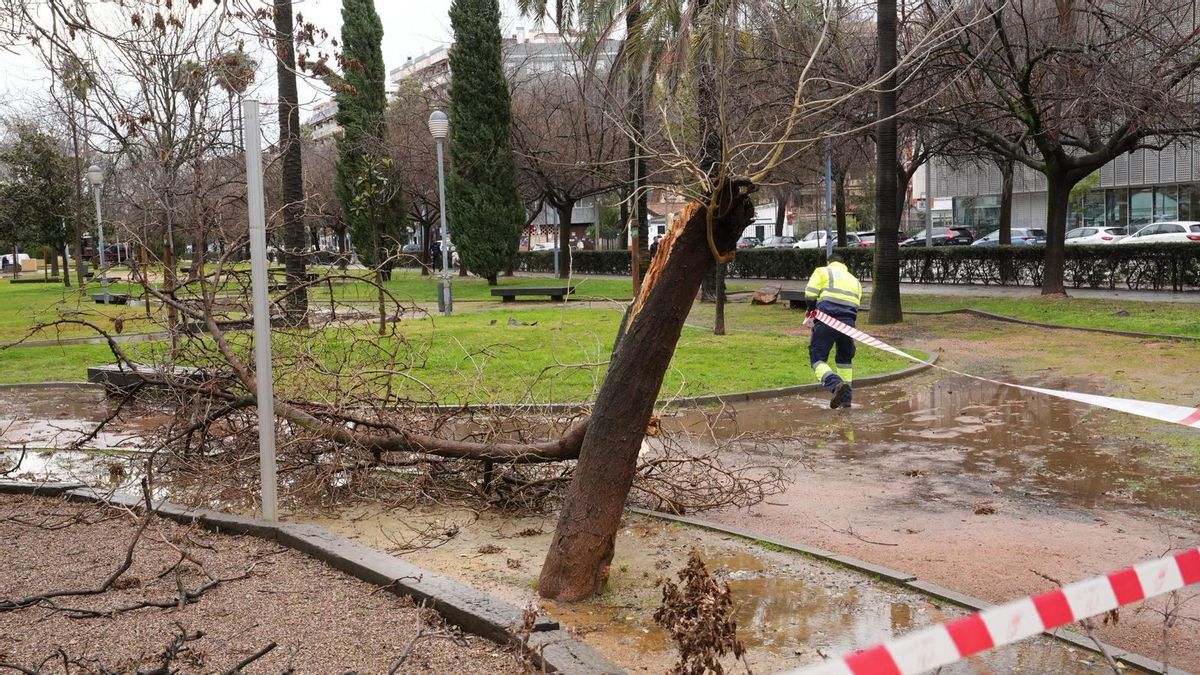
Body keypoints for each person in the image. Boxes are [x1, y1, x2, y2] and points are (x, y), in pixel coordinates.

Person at [803, 253, 862, 408]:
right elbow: (856, 304)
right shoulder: (854, 280)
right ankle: (846, 400)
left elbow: (810, 293)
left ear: (828, 262)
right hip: (848, 324)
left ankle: (835, 385)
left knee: (817, 358)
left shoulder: (822, 271)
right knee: (845, 359)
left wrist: (811, 310)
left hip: (826, 319)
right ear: (844, 264)